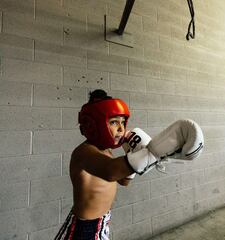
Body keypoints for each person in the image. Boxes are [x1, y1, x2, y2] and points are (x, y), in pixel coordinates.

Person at [54, 89, 204, 239]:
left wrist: (132, 153)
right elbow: (110, 171)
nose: (121, 128)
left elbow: (123, 181)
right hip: (85, 228)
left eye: (123, 122)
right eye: (114, 122)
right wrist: (154, 151)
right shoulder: (84, 152)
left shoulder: (106, 152)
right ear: (95, 125)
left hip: (101, 222)